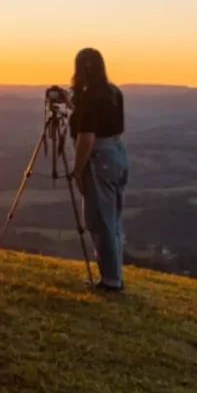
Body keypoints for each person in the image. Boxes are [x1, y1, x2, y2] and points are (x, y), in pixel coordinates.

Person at [63, 48, 129, 292]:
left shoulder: (90, 96)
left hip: (98, 158)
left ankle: (111, 281)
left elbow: (87, 138)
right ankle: (114, 276)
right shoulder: (113, 92)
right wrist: (72, 104)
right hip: (117, 154)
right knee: (113, 219)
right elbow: (99, 120)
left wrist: (77, 170)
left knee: (100, 221)